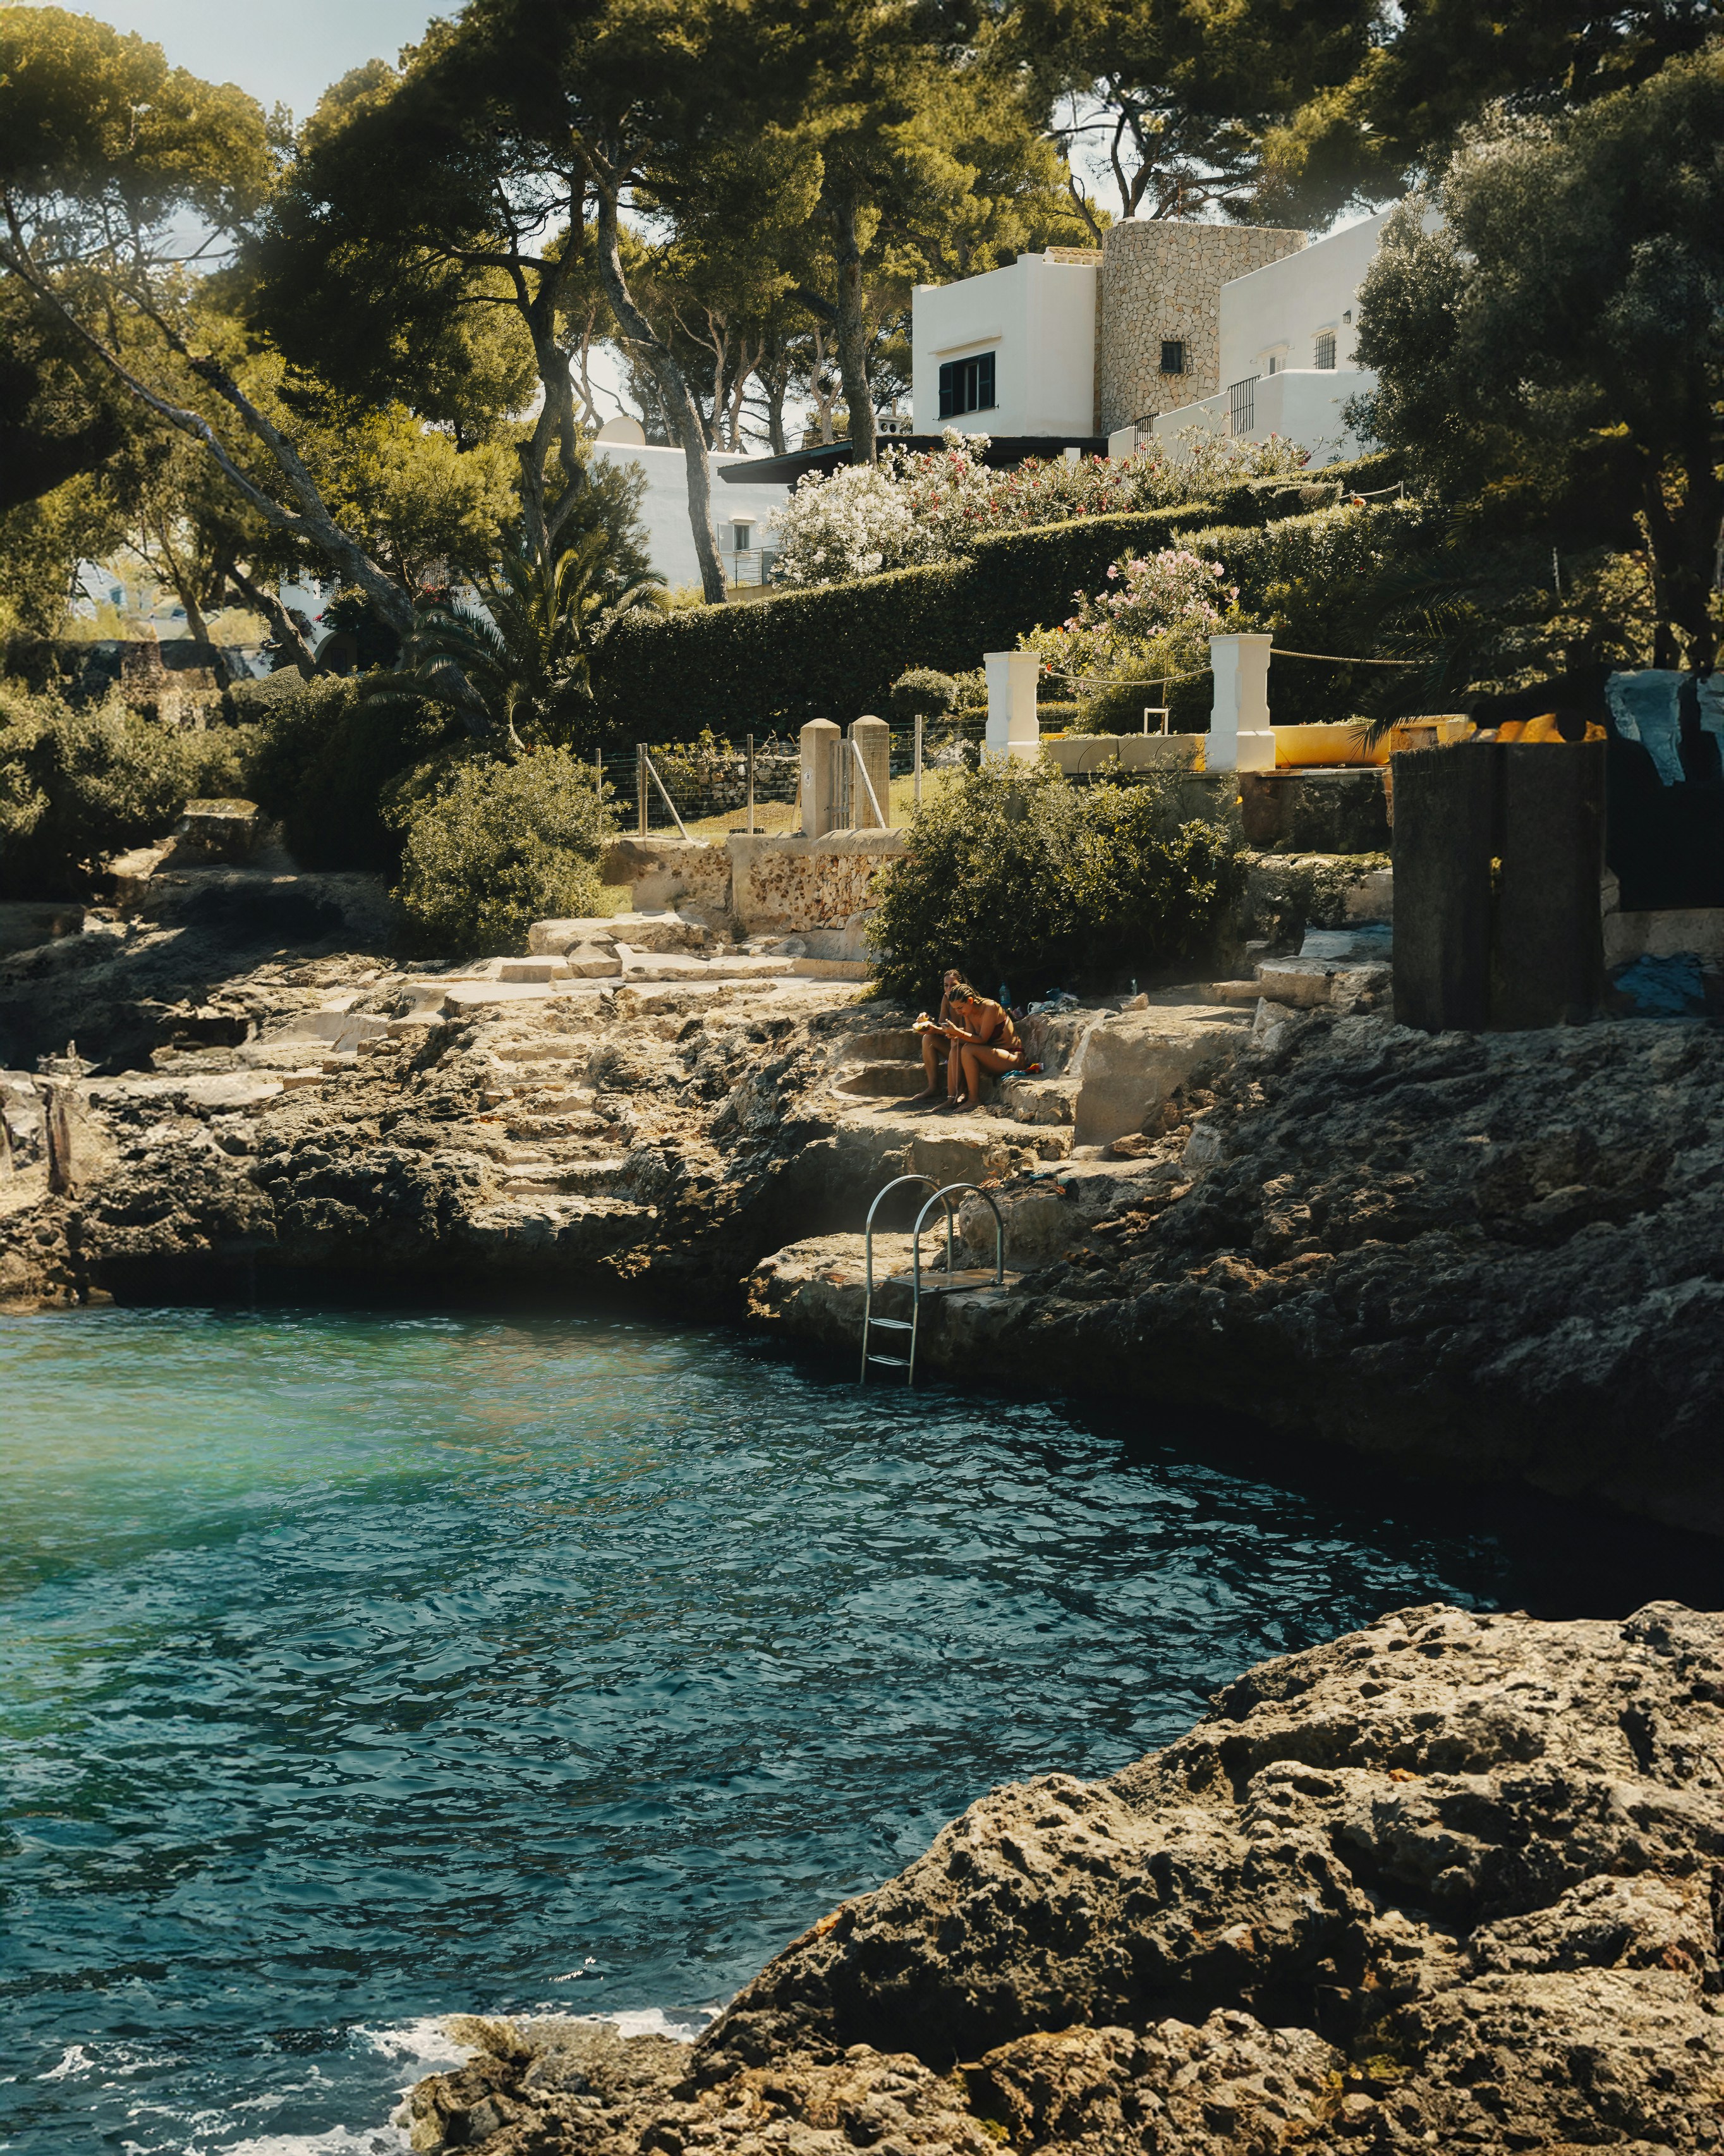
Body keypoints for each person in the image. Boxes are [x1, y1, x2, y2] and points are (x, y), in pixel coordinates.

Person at [937, 987, 1023, 1111]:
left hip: (1013, 1058)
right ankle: (952, 1099)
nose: (958, 1012)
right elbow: (970, 1038)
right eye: (955, 1009)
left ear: (970, 1001)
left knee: (968, 1050)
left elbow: (982, 1039)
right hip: (991, 1057)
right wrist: (954, 1035)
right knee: (956, 1048)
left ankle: (974, 1099)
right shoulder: (968, 1012)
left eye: (960, 1008)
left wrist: (959, 1033)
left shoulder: (990, 1007)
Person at [909, 969, 966, 1104]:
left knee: (957, 1043)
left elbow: (969, 1032)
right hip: (953, 1045)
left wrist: (940, 1030)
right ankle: (933, 1087)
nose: (949, 989)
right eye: (946, 985)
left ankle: (964, 1090)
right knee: (928, 1038)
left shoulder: (967, 1000)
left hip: (968, 1047)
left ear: (961, 985)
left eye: (953, 985)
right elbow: (942, 1024)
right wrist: (927, 1021)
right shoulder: (946, 998)